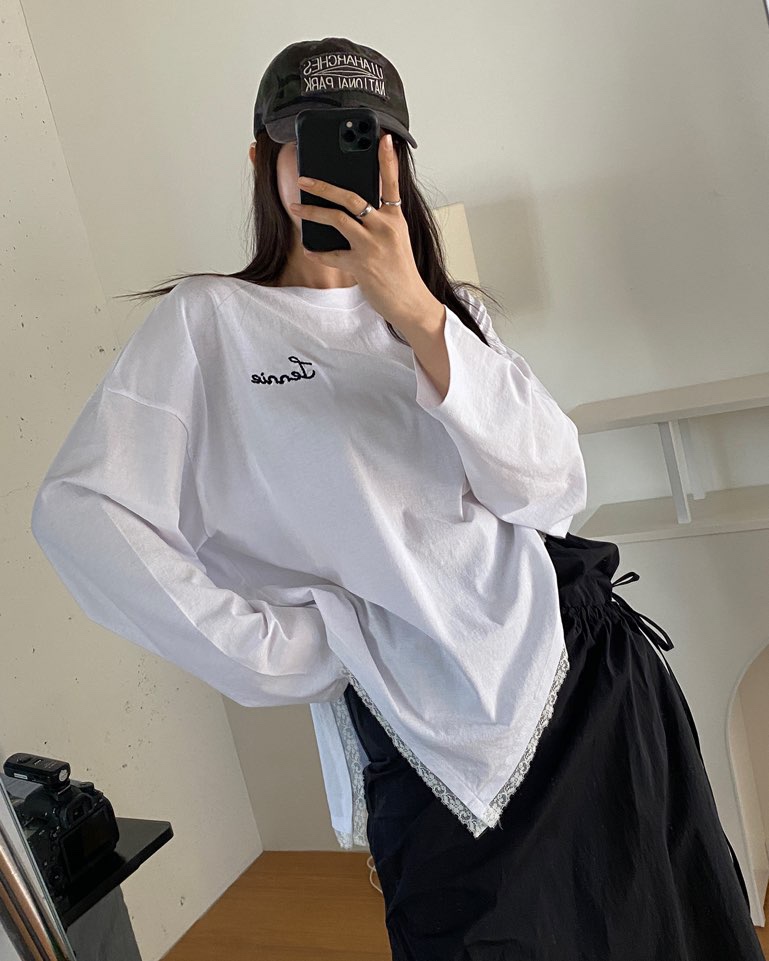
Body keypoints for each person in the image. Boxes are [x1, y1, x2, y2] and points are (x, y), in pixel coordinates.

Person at [30, 36, 764, 961]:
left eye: (368, 140)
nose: (340, 163)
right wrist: (280, 650)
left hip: (584, 671)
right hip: (422, 732)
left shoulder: (446, 311)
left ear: (395, 160)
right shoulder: (207, 324)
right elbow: (82, 511)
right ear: (261, 158)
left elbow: (551, 492)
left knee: (673, 932)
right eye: (310, 139)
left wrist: (416, 311)